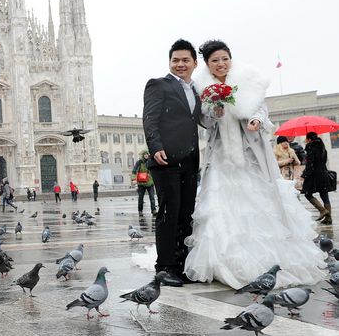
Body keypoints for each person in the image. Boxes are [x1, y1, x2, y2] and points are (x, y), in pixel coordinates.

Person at [183, 40, 323, 289]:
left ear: (231, 58)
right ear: (207, 64)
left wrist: (256, 120)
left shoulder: (248, 78)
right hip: (222, 154)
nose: (221, 64)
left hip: (249, 151)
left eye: (224, 58)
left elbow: (261, 108)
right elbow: (203, 119)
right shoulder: (202, 86)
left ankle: (268, 258)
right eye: (215, 60)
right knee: (221, 204)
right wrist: (215, 110)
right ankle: (222, 260)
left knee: (257, 199)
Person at [141, 39, 202, 287]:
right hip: (165, 159)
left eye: (185, 60)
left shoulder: (197, 91)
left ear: (195, 63)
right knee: (168, 212)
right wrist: (155, 147)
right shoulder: (159, 84)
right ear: (170, 62)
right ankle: (164, 267)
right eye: (175, 60)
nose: (180, 64)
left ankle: (181, 265)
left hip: (189, 160)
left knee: (185, 214)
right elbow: (150, 118)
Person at [301, 132, 333, 225]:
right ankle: (328, 219)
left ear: (309, 139)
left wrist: (305, 175)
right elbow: (323, 161)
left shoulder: (311, 148)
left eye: (306, 139)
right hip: (323, 174)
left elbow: (310, 164)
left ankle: (323, 210)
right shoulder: (322, 147)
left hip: (313, 175)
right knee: (324, 195)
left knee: (307, 193)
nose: (306, 141)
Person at [132, 150, 157, 216]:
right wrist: (133, 179)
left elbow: (155, 171)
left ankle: (154, 210)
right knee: (140, 198)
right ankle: (140, 211)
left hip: (150, 182)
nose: (146, 155)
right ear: (143, 155)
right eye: (145, 154)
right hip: (141, 183)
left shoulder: (151, 161)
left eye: (147, 154)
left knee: (152, 198)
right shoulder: (139, 162)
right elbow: (134, 171)